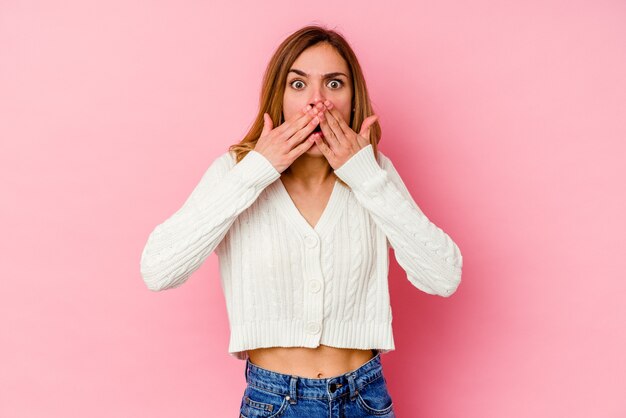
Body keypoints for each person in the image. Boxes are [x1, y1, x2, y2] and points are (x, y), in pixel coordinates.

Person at [140, 24, 463, 418]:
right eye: (298, 85)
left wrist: (364, 175)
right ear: (278, 97)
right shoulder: (237, 171)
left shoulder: (373, 173)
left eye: (333, 84)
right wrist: (258, 170)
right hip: (273, 401)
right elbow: (158, 270)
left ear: (352, 98)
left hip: (365, 399)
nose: (317, 102)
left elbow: (443, 277)